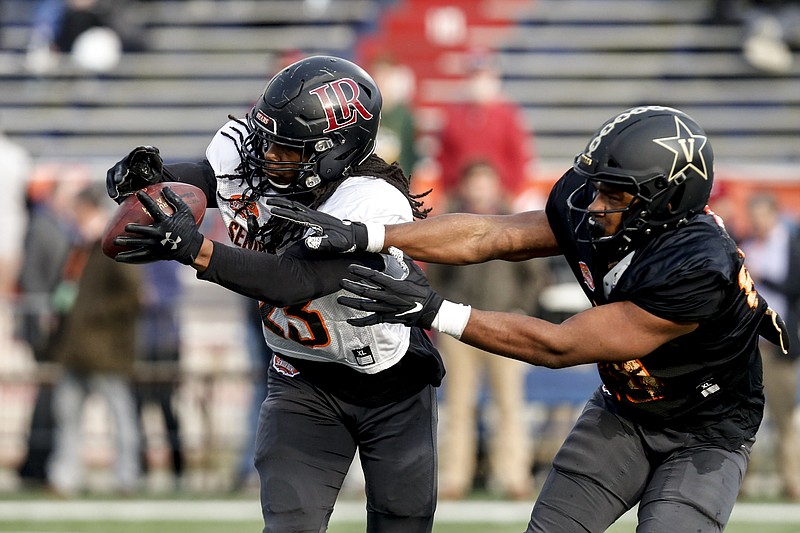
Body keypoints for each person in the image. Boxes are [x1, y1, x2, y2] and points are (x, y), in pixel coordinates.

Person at [268, 105, 790, 532]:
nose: (596, 203)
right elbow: (493, 235)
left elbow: (560, 347)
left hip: (704, 432)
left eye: (617, 193)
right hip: (627, 410)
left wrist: (433, 310)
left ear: (666, 200)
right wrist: (373, 235)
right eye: (600, 185)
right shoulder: (598, 205)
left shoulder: (697, 267)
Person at [105, 55, 443, 532]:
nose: (268, 157)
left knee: (401, 524)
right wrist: (154, 177)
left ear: (335, 150)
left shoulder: (373, 201)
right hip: (303, 378)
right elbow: (210, 178)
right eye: (267, 143)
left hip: (390, 383)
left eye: (287, 149)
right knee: (289, 525)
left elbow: (294, 280)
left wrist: (197, 250)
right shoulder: (261, 162)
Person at [426, 160, 547, 501]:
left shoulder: (517, 221)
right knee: (457, 406)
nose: (480, 189)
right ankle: (453, 478)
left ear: (495, 185)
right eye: (474, 182)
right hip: (458, 327)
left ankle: (513, 477)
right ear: (464, 186)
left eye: (485, 182)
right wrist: (442, 314)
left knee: (509, 405)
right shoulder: (450, 222)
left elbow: (535, 273)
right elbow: (434, 274)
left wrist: (521, 309)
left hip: (506, 325)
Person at [47, 183, 142, 497]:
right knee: (68, 415)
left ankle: (127, 477)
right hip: (77, 348)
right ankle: (65, 477)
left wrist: (92, 316)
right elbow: (67, 292)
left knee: (119, 414)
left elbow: (133, 297)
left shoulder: (115, 243)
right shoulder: (81, 246)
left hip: (105, 348)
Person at [740, 192, 800, 500]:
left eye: (762, 215)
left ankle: (792, 482)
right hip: (750, 347)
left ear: (774, 215)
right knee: (743, 417)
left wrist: (765, 278)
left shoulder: (789, 246)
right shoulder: (747, 247)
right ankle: (740, 483)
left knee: (784, 418)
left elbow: (794, 287)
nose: (757, 222)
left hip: (779, 347)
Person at [434, 49, 534, 198]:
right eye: (474, 76)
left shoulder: (508, 115)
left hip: (499, 196)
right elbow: (444, 157)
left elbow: (519, 157)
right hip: (461, 196)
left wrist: (508, 191)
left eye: (484, 75)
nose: (479, 81)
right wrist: (452, 188)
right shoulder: (453, 115)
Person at [134, 260, 185, 489]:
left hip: (164, 342)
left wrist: (151, 296)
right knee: (137, 406)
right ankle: (138, 468)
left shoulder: (166, 255)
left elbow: (173, 293)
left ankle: (178, 469)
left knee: (166, 406)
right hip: (141, 344)